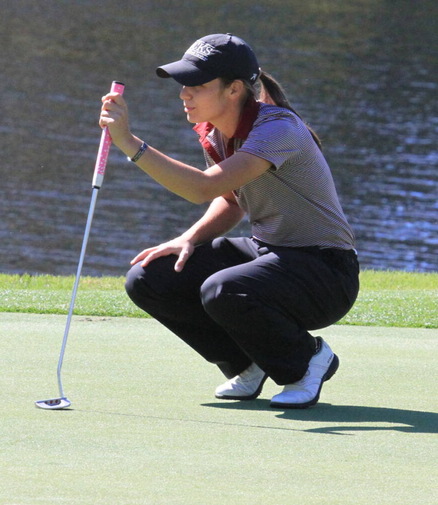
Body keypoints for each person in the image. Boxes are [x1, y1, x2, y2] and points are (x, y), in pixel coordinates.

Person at [99, 33, 358, 409]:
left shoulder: (277, 128)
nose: (184, 94)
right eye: (184, 85)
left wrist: (128, 142)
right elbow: (230, 200)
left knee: (223, 290)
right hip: (270, 254)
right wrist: (190, 238)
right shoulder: (218, 132)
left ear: (234, 89)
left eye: (197, 86)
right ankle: (246, 363)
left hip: (326, 273)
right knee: (149, 278)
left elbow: (203, 188)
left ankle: (306, 361)